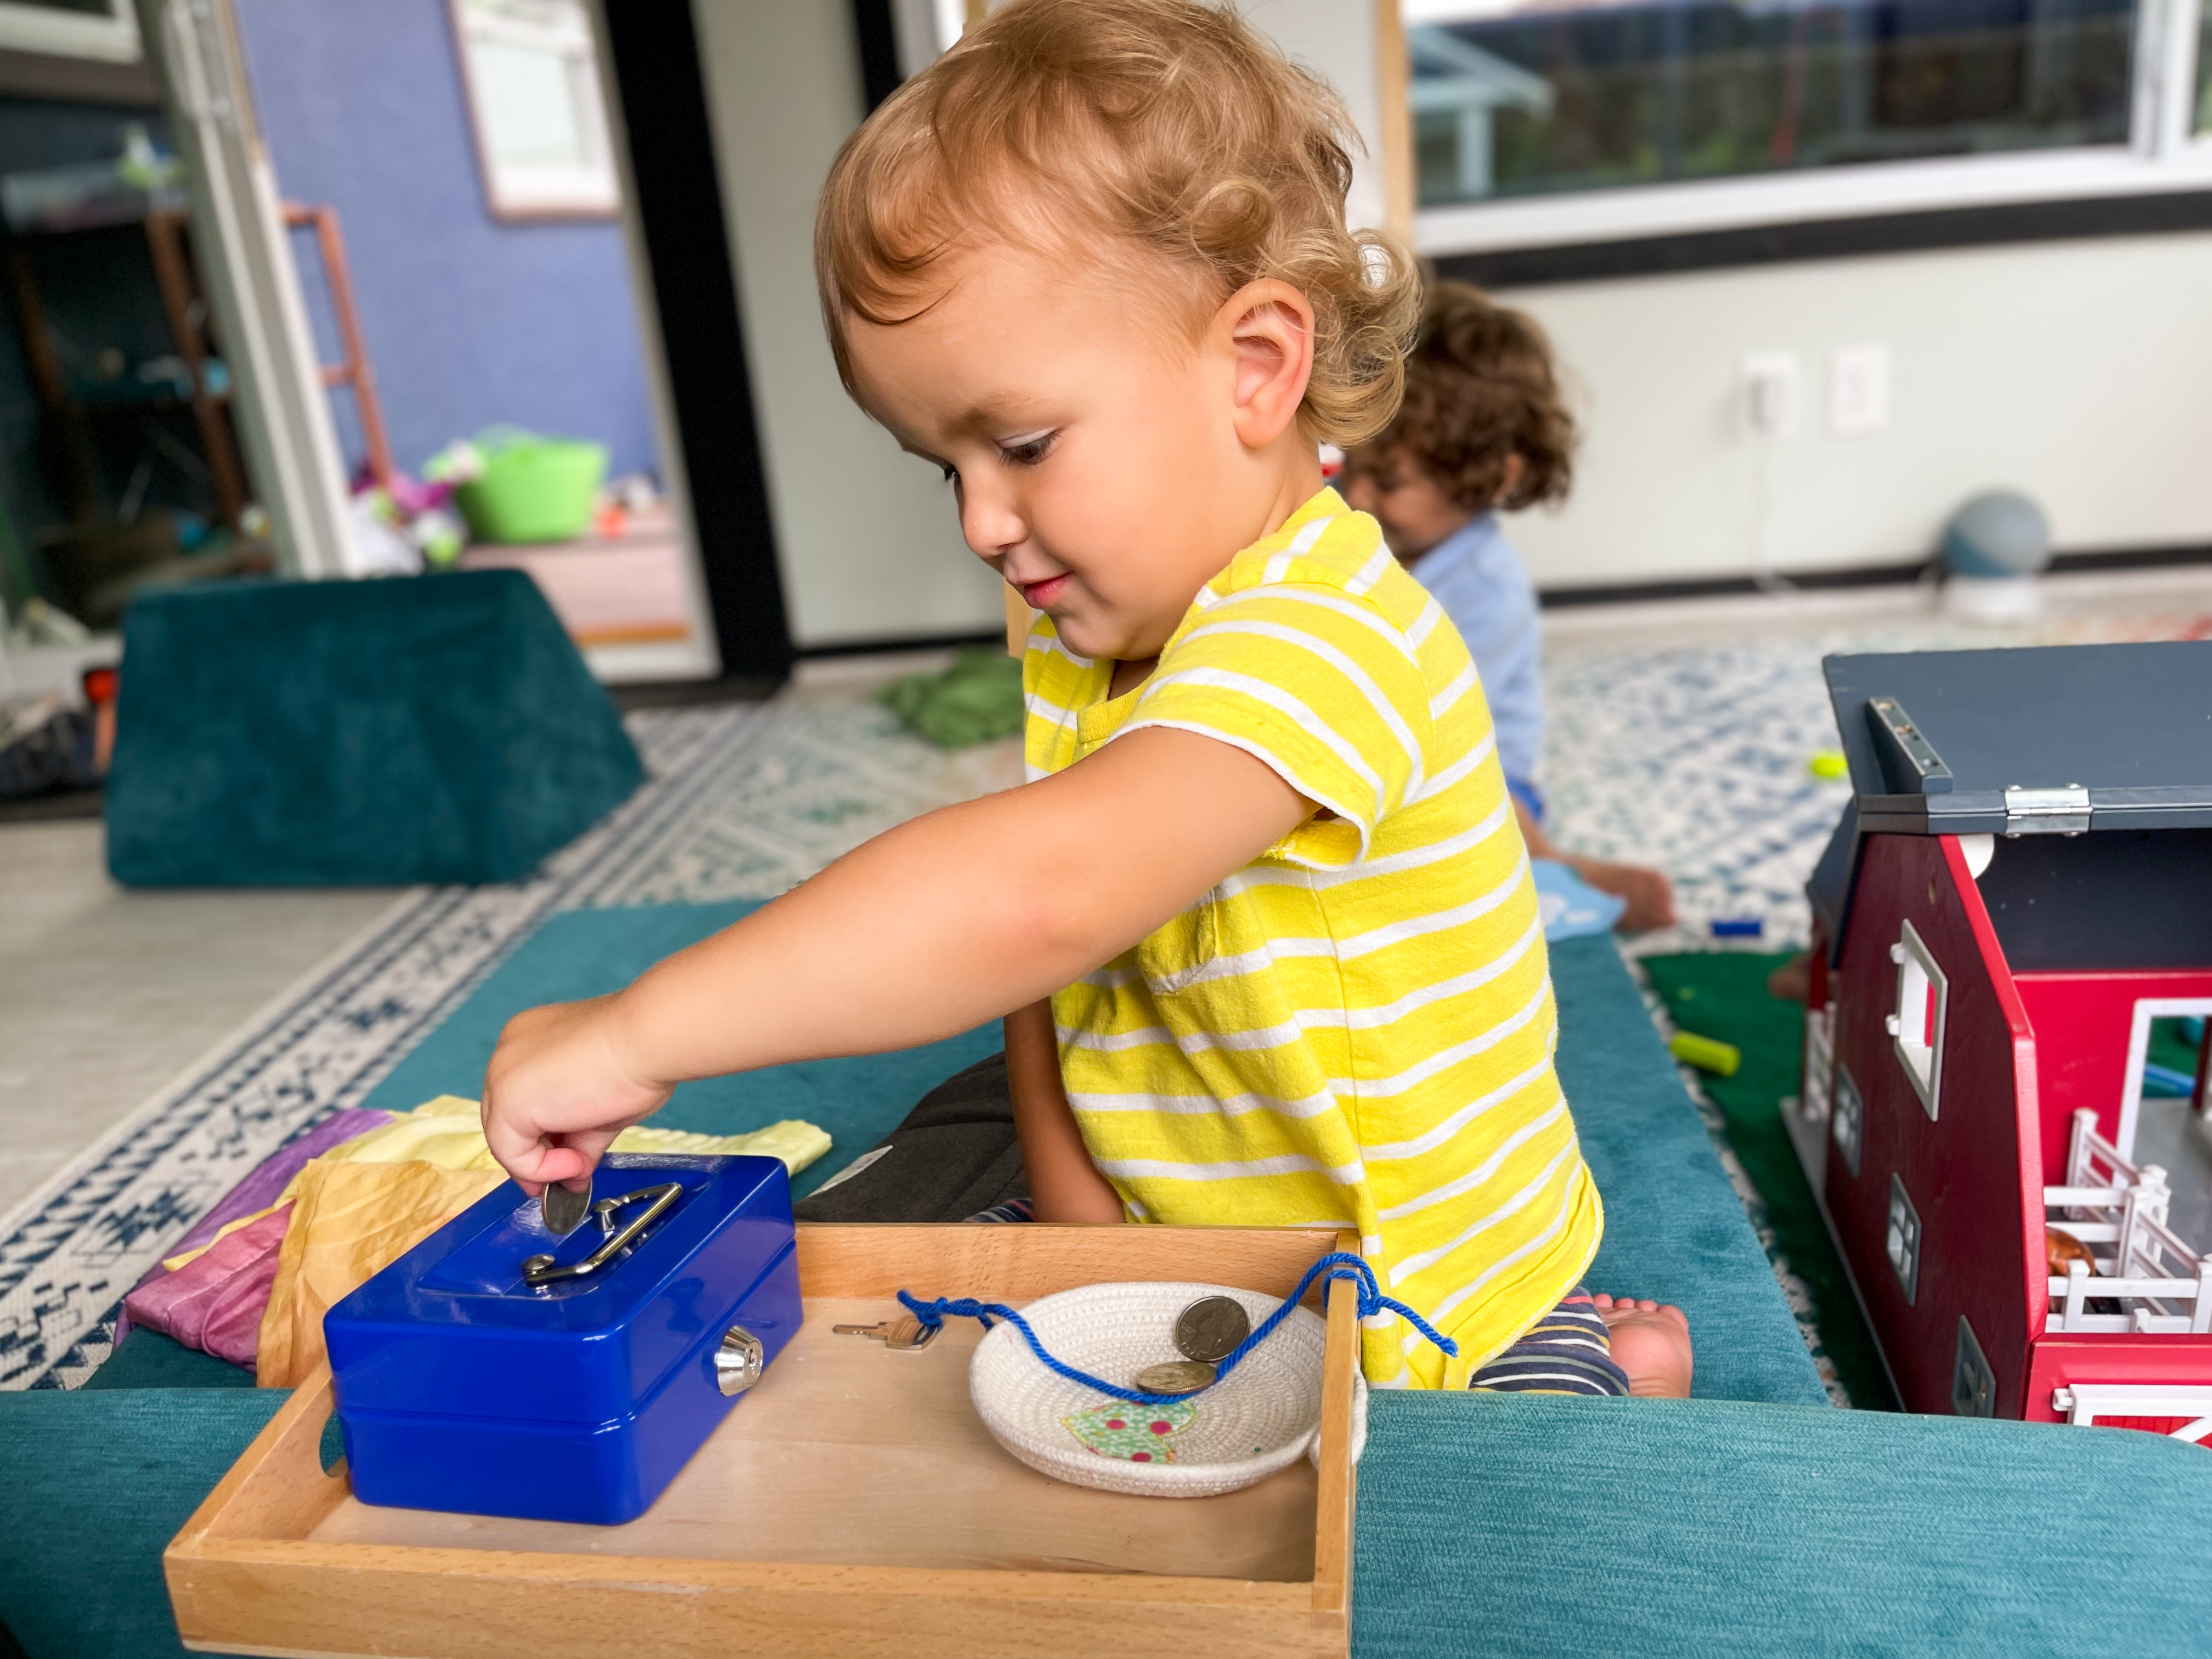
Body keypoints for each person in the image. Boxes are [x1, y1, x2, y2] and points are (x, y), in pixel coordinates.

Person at [479, 0, 1689, 1398]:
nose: (985, 522)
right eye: (946, 466)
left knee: (1434, 1529)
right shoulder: (1096, 631)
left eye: (1024, 444)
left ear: (1254, 367)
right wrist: (1082, 1247)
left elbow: (1035, 895)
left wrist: (630, 1033)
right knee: (855, 1316)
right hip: (1196, 1199)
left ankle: (1596, 1341)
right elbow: (1056, 977)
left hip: (1417, 1294)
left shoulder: (1330, 638)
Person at [1341, 283, 1675, 933]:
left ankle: (1560, 875)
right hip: (1399, 757)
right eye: (1351, 465)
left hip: (1482, 778)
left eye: (1388, 482)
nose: (1355, 496)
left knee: (1455, 876)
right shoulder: (1371, 535)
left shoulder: (1486, 591)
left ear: (1495, 478)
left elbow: (1451, 740)